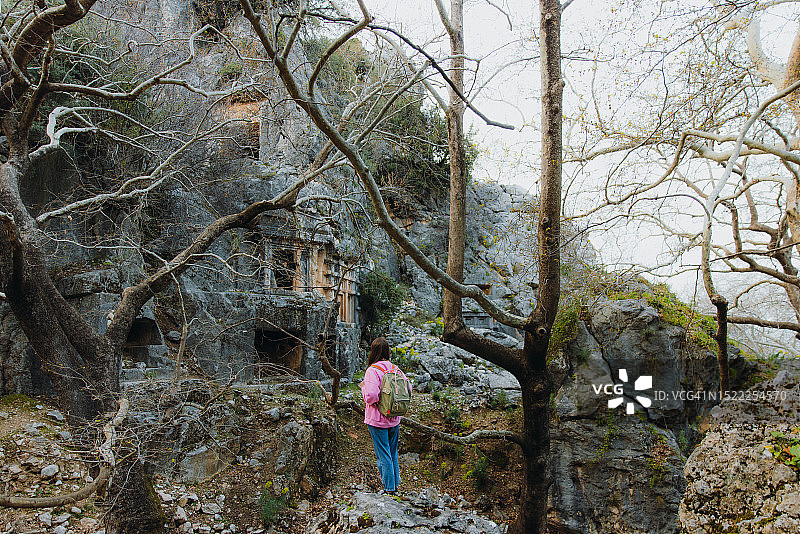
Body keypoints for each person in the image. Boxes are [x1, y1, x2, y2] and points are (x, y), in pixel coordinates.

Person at [359, 337, 411, 495]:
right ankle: (395, 486)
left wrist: (363, 388)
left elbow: (371, 396)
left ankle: (389, 489)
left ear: (373, 352)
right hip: (394, 418)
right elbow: (408, 388)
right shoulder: (395, 368)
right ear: (387, 351)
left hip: (377, 420)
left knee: (383, 455)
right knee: (392, 452)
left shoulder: (372, 370)